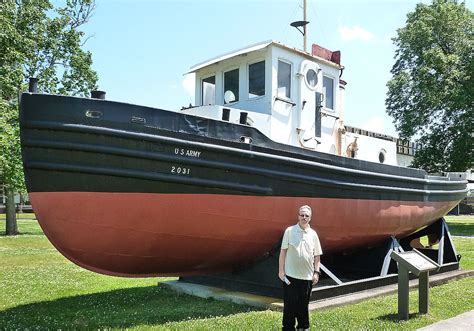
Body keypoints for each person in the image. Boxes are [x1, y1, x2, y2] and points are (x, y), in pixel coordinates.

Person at [278, 205, 323, 331]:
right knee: (289, 305)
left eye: (306, 215)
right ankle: (287, 328)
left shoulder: (313, 234)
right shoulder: (289, 231)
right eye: (302, 215)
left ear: (310, 218)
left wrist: (316, 272)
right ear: (298, 216)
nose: (304, 217)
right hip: (290, 277)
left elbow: (317, 256)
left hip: (307, 277)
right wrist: (281, 271)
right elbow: (283, 252)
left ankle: (303, 327)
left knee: (303, 305)